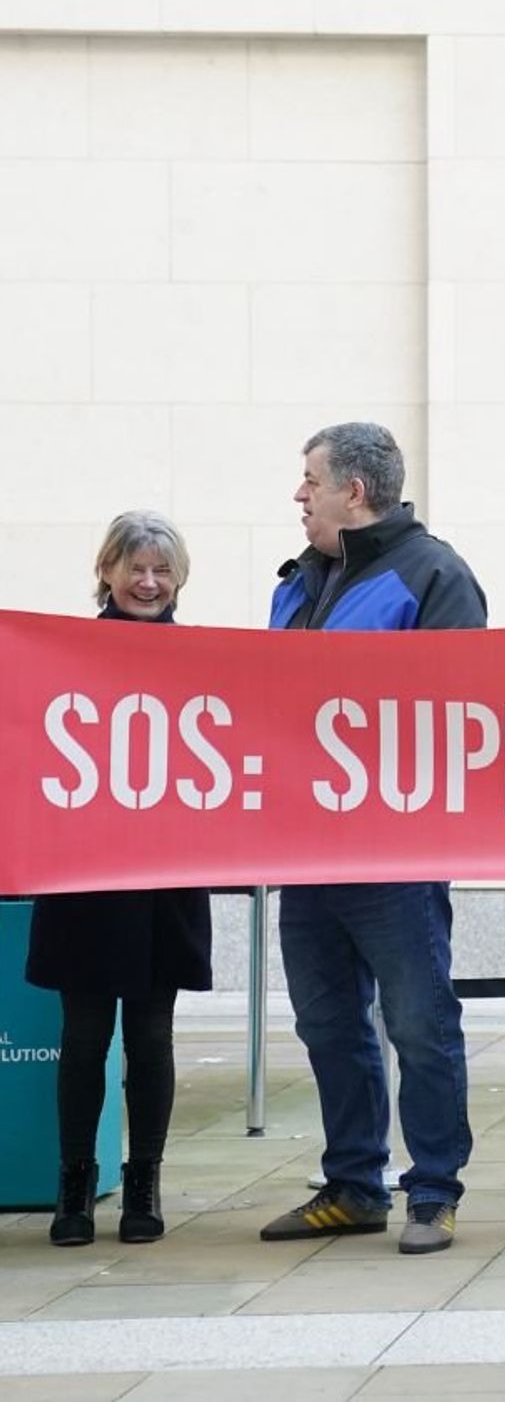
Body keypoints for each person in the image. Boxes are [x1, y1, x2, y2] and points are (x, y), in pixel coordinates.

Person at [258, 422, 487, 1255]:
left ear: (353, 492)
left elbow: (462, 713)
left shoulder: (436, 575)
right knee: (327, 1023)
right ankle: (354, 1185)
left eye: (309, 479)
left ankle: (433, 1190)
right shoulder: (297, 583)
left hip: (397, 857)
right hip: (308, 853)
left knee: (420, 1022)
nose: (299, 494)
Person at [28, 512, 212, 1247]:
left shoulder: (204, 658)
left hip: (166, 873)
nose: (147, 582)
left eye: (161, 570)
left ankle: (145, 1183)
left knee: (152, 1035)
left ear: (179, 577)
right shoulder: (64, 652)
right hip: (86, 870)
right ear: (105, 571)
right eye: (133, 567)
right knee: (82, 1037)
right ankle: (74, 1187)